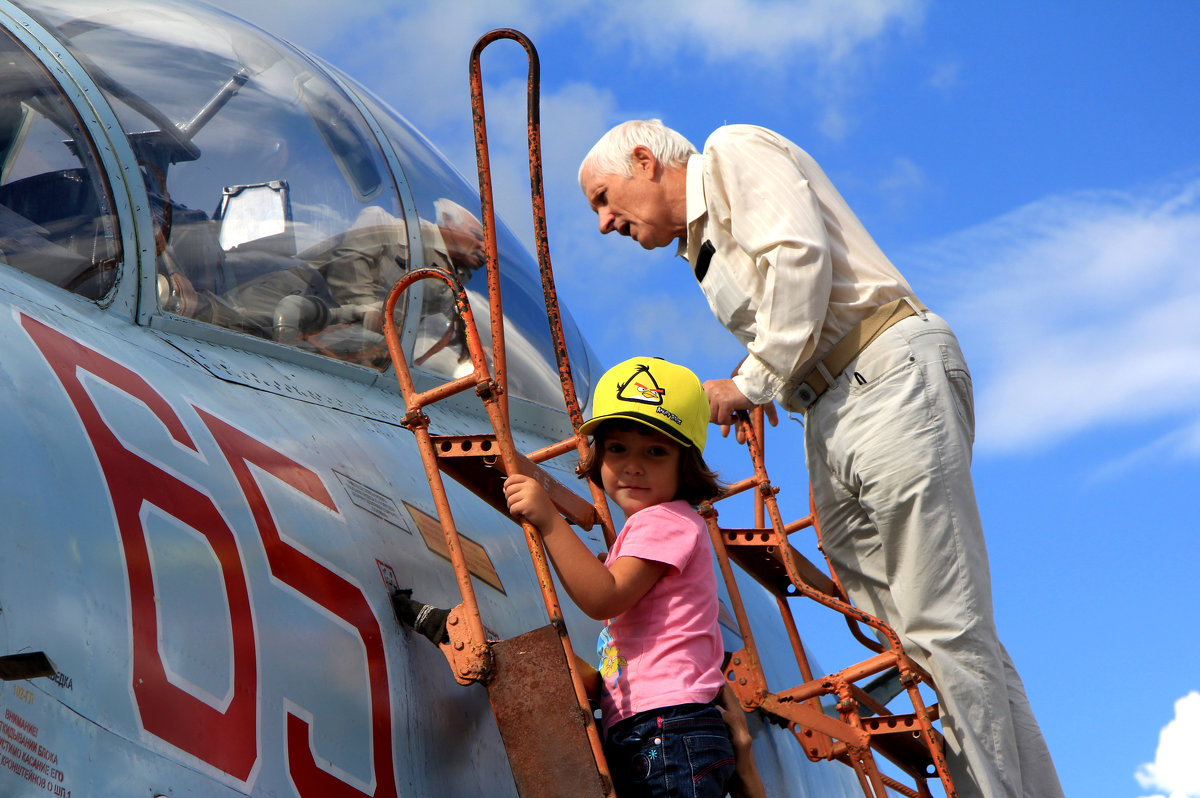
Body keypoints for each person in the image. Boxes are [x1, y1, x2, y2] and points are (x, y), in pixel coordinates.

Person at [578, 120, 1064, 798]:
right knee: (917, 637)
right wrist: (777, 372)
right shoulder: (702, 245)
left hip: (883, 373)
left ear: (643, 161)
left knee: (943, 626)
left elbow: (800, 257)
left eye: (603, 197)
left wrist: (750, 380)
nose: (603, 222)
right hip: (829, 406)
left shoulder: (731, 152)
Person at [504, 356, 742, 798]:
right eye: (617, 448)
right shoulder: (657, 527)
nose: (633, 465)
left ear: (685, 464)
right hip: (657, 726)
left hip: (666, 727)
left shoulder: (664, 522)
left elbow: (603, 598)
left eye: (655, 451)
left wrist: (550, 521)